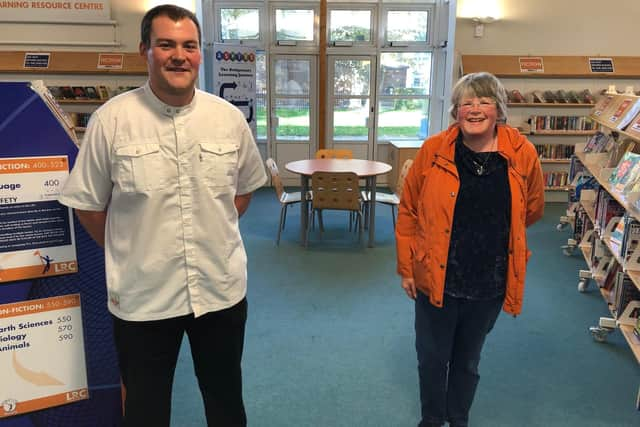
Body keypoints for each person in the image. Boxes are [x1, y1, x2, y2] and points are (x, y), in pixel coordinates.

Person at [59, 4, 267, 427]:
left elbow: (244, 189)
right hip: (143, 297)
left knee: (226, 399)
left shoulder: (227, 119)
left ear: (199, 53)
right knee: (146, 409)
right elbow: (87, 202)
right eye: (166, 44)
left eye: (189, 46)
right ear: (145, 51)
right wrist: (129, 247)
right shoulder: (111, 121)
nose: (179, 55)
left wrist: (215, 227)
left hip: (219, 289)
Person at [395, 72, 544, 427]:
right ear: (456, 111)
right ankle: (432, 419)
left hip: (488, 281)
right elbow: (409, 210)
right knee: (432, 358)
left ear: (499, 110)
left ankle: (458, 417)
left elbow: (533, 208)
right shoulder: (434, 150)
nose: (475, 109)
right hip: (436, 277)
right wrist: (407, 268)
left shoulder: (522, 153)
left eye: (484, 101)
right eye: (467, 103)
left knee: (467, 360)